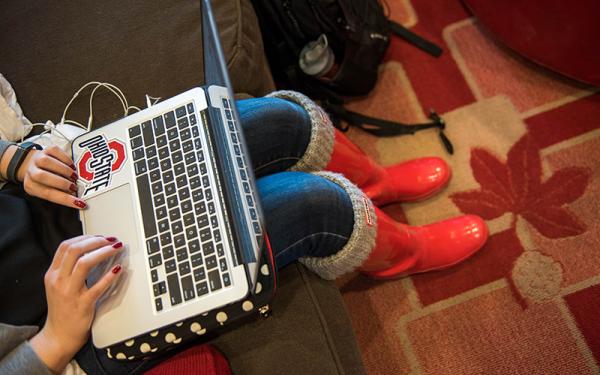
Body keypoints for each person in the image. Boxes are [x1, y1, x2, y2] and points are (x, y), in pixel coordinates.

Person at [0, 91, 488, 374]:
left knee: (282, 120)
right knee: (312, 201)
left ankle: (375, 184)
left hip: (57, 202)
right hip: (66, 328)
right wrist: (54, 340)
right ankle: (404, 250)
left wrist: (12, 158)